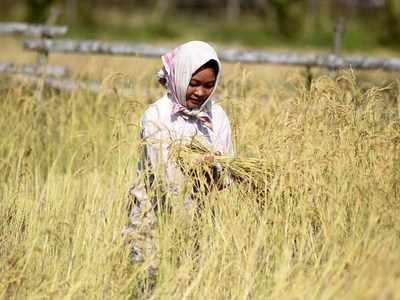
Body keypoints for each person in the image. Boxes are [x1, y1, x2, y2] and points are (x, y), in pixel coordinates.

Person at [123, 41, 234, 268]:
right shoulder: (156, 116)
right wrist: (194, 166)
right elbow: (166, 178)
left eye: (209, 86)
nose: (201, 92)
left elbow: (227, 175)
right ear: (181, 76)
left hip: (198, 228)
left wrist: (215, 169)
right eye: (193, 84)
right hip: (151, 225)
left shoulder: (218, 116)